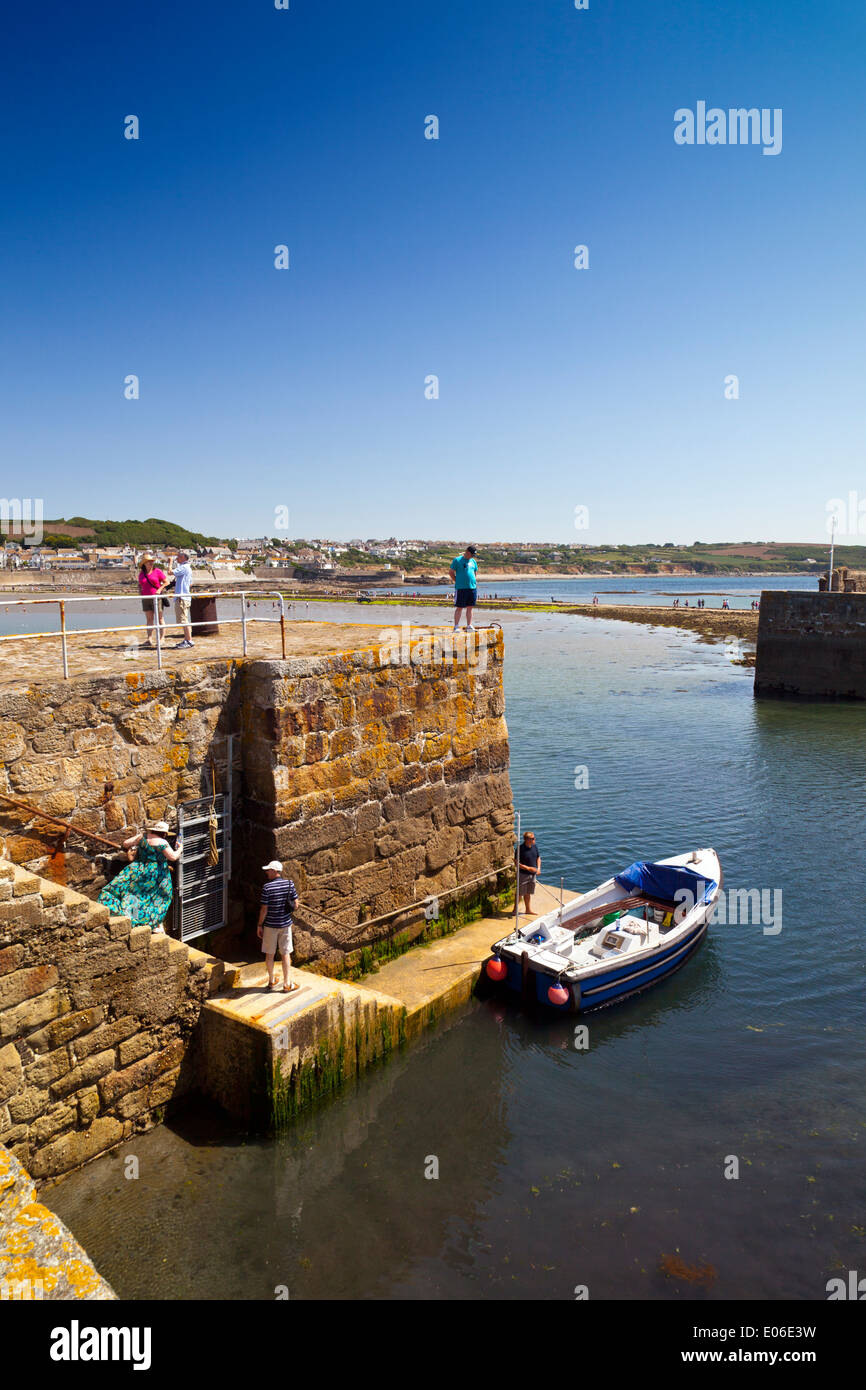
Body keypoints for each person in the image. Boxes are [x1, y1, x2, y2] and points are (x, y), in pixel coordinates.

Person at [99, 820, 180, 933]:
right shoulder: (163, 843)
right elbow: (173, 857)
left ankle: (133, 915)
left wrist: (136, 848)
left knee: (137, 895)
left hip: (138, 869)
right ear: (164, 833)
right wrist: (180, 848)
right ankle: (154, 922)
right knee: (160, 897)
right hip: (156, 874)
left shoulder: (142, 837)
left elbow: (126, 843)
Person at [257, 860, 299, 993]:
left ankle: (271, 981)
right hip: (285, 925)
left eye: (269, 870)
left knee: (269, 954)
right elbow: (296, 905)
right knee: (285, 954)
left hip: (270, 926)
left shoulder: (266, 888)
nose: (266, 872)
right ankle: (287, 984)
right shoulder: (289, 884)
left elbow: (264, 909)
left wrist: (259, 925)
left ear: (275, 871)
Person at [138, 554, 168, 648]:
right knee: (149, 619)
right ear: (144, 563)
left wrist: (159, 589)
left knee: (160, 618)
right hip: (146, 598)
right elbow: (140, 584)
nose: (151, 563)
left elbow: (167, 582)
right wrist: (140, 592)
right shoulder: (141, 573)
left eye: (152, 561)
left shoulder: (157, 571)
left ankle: (162, 638)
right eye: (149, 562)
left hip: (156, 597)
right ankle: (149, 639)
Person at [449, 544, 478, 633]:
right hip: (461, 588)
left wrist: (473, 581)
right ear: (467, 552)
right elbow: (451, 572)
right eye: (472, 554)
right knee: (459, 607)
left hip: (472, 588)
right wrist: (457, 581)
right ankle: (456, 626)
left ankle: (469, 625)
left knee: (470, 607)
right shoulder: (457, 560)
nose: (473, 556)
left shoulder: (473, 561)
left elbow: (475, 572)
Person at [171, 551, 194, 649]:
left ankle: (189, 640)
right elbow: (190, 583)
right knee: (185, 619)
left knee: (184, 620)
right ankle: (187, 639)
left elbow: (170, 572)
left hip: (182, 597)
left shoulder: (184, 567)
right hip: (185, 596)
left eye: (178, 557)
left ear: (184, 557)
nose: (177, 559)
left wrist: (170, 563)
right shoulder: (188, 568)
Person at [516, 831, 541, 917]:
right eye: (533, 838)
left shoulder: (534, 847)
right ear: (527, 840)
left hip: (532, 875)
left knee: (528, 893)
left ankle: (528, 910)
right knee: (520, 894)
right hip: (523, 874)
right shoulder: (520, 849)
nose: (534, 839)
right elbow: (516, 862)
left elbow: (538, 857)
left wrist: (538, 868)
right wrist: (528, 868)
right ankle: (514, 910)